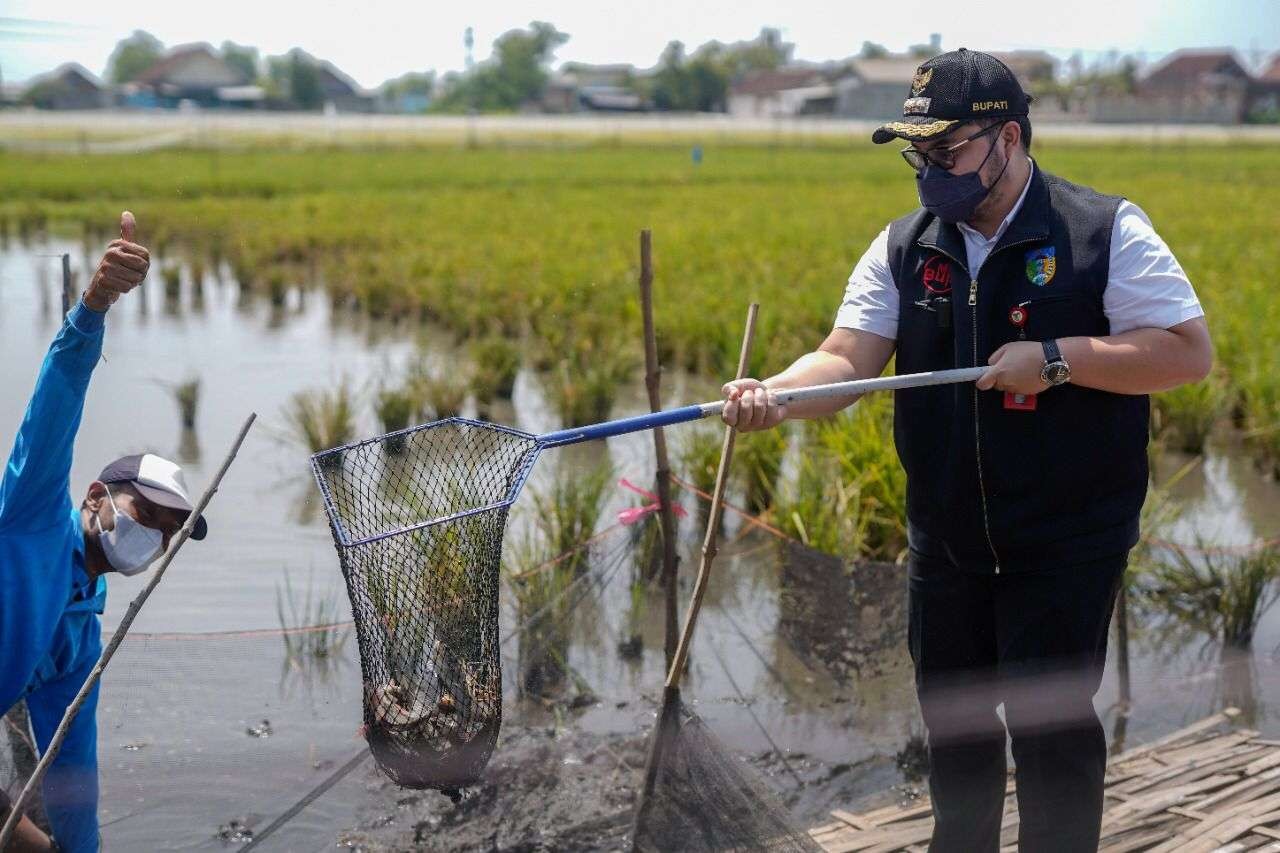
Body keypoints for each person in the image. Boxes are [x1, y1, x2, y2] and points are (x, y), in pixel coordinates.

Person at [721, 49, 1212, 852]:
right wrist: (778, 393)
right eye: (920, 154)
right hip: (945, 545)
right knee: (955, 741)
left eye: (947, 151)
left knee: (1051, 741)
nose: (930, 170)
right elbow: (845, 358)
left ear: (1008, 139)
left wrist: (1059, 359)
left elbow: (1187, 353)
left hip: (1065, 543)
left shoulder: (1103, 231)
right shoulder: (905, 247)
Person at [0, 213, 210, 852]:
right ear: (96, 497)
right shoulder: (31, 519)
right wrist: (92, 310)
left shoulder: (80, 637)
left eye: (168, 534)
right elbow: (52, 411)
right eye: (147, 516)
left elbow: (73, 768)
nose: (153, 539)